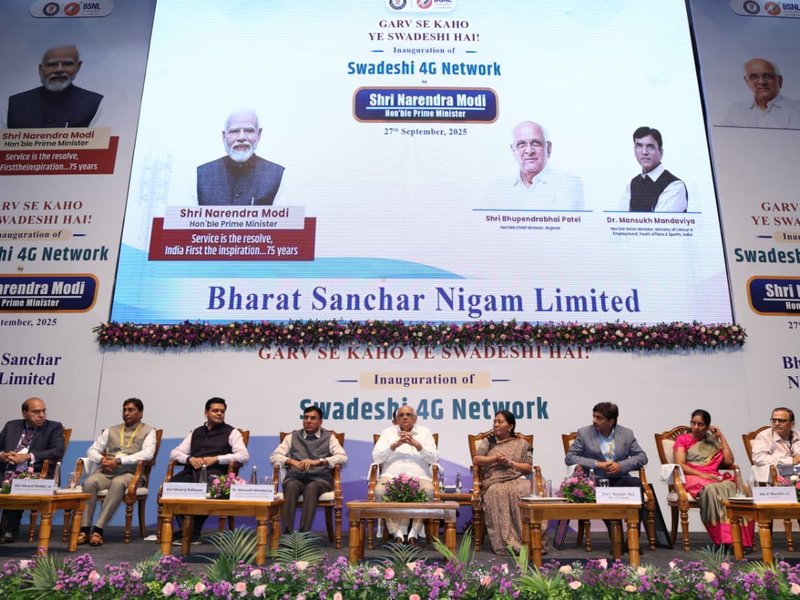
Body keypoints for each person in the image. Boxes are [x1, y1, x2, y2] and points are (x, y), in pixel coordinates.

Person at [77, 398, 157, 547]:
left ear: (140, 413)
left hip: (131, 474)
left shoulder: (149, 431)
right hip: (107, 472)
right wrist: (102, 459)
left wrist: (119, 461)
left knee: (118, 483)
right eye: (124, 410)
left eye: (131, 410)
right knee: (89, 482)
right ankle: (84, 529)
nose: (126, 413)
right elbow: (92, 450)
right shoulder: (111, 430)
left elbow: (147, 454)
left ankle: (98, 530)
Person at [168, 397, 249, 543]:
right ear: (206, 413)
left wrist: (217, 458)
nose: (219, 414)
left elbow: (243, 456)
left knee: (208, 488)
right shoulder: (196, 432)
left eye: (222, 411)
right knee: (173, 486)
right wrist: (189, 459)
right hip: (192, 471)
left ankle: (192, 530)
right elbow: (174, 453)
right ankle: (187, 528)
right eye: (215, 410)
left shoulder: (232, 432)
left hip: (216, 473)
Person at [673, 409, 754, 547]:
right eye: (693, 423)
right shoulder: (683, 440)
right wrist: (702, 475)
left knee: (735, 487)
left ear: (707, 426)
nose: (696, 427)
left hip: (713, 476)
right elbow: (680, 464)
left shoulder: (711, 441)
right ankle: (724, 539)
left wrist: (721, 437)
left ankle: (741, 538)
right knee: (710, 489)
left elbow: (729, 461)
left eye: (700, 424)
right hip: (693, 476)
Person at [270, 405, 348, 533]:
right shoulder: (292, 437)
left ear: (320, 421)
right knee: (290, 486)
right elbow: (274, 456)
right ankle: (287, 535)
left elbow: (343, 457)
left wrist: (319, 462)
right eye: (306, 418)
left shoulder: (329, 437)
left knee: (311, 489)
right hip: (295, 477)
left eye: (313, 418)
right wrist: (290, 461)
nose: (308, 421)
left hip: (319, 480)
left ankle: (303, 536)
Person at [0, 397, 65, 543]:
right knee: (9, 479)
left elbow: (58, 451)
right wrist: (3, 455)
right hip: (6, 470)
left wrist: (27, 457)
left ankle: (10, 529)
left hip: (35, 473)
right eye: (36, 412)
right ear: (24, 413)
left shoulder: (53, 427)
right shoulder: (11, 426)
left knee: (17, 481)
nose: (41, 415)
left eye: (43, 411)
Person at [372, 405, 438, 545]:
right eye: (401, 415)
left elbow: (434, 459)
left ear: (415, 418)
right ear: (396, 419)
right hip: (391, 475)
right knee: (379, 491)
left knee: (428, 490)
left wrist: (418, 446)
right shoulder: (387, 433)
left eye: (408, 415)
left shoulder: (425, 432)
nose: (405, 417)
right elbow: (377, 458)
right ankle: (396, 533)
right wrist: (394, 445)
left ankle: (414, 532)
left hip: (419, 476)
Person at [472, 410, 532, 555]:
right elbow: (477, 459)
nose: (496, 424)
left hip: (516, 477)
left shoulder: (522, 443)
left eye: (500, 422)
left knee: (524, 490)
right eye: (494, 422)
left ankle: (529, 540)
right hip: (494, 480)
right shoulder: (489, 441)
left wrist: (510, 463)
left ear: (510, 426)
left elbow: (528, 467)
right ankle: (503, 543)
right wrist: (495, 459)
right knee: (497, 492)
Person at [196, 108, 285, 206]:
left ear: (259, 134)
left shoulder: (278, 175)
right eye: (234, 131)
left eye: (249, 131)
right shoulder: (200, 175)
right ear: (224, 136)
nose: (241, 137)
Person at [5, 45, 103, 128]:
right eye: (52, 64)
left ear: (78, 67)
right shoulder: (14, 104)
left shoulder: (95, 103)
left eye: (67, 64)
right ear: (40, 69)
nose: (59, 70)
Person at [565, 402, 648, 487]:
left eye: (599, 418)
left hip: (619, 478)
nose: (594, 421)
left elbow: (642, 457)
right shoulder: (584, 433)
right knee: (585, 486)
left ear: (611, 422)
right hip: (594, 479)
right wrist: (597, 464)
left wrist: (620, 466)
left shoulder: (626, 434)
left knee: (635, 483)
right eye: (594, 416)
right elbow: (570, 457)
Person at [506, 120, 584, 210]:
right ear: (513, 150)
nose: (529, 151)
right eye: (521, 144)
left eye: (536, 143)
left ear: (548, 148)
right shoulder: (498, 186)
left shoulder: (568, 183)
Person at [721, 58, 800, 129]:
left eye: (767, 76)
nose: (762, 82)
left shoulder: (796, 108)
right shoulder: (737, 110)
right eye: (754, 77)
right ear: (747, 81)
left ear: (780, 80)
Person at [622, 126, 687, 212]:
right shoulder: (632, 184)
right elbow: (619, 217)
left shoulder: (675, 186)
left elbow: (660, 220)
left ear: (661, 152)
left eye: (650, 147)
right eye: (639, 146)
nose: (644, 152)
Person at [751, 407, 800, 480]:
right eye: (774, 420)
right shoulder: (764, 437)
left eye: (781, 421)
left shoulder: (798, 435)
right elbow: (758, 458)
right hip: (776, 479)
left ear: (792, 424)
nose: (776, 423)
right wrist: (791, 461)